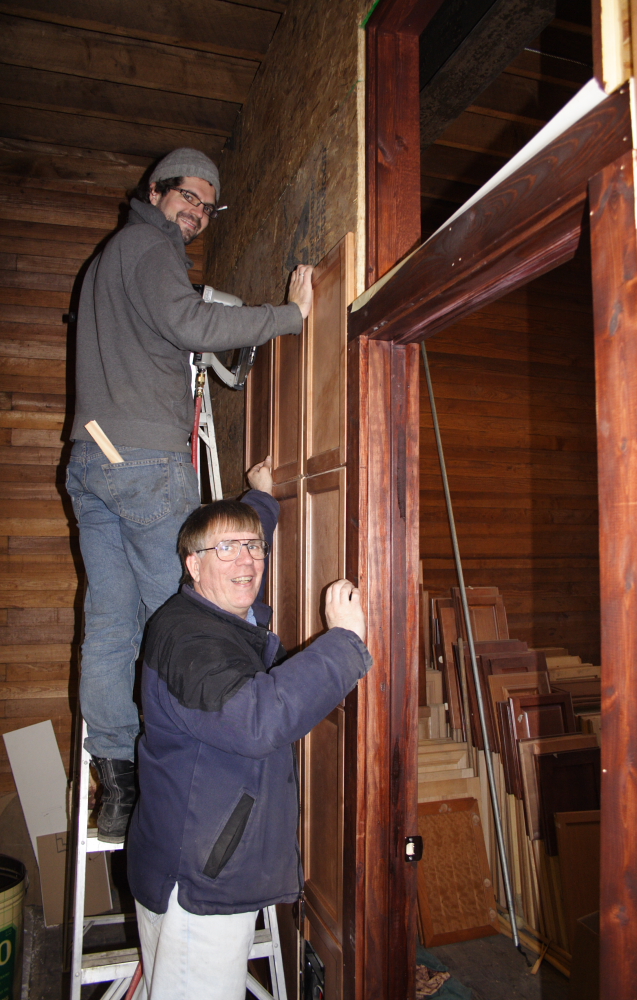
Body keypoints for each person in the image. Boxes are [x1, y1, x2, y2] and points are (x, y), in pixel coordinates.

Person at [66, 146, 314, 841]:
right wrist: (289, 316)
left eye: (207, 207)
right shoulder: (150, 247)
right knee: (183, 620)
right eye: (188, 197)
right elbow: (191, 325)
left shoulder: (107, 260)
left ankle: (118, 782)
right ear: (156, 191)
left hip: (91, 461)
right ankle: (189, 768)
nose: (197, 213)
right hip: (143, 461)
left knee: (112, 627)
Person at [126, 458, 371, 999]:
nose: (246, 560)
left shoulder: (218, 615)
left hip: (199, 859)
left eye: (254, 547)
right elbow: (257, 720)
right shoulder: (189, 641)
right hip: (197, 884)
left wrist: (261, 496)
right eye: (227, 549)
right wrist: (344, 643)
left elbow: (246, 556)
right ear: (192, 565)